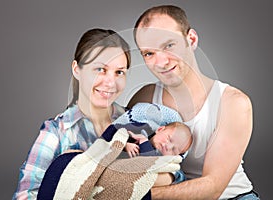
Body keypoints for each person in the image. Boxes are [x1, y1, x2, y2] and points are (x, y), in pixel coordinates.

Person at [13, 27, 181, 200]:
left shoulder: (137, 123)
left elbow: (172, 169)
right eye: (100, 69)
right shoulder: (57, 133)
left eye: (119, 72)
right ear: (77, 69)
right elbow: (25, 196)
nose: (110, 82)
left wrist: (162, 176)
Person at [128, 5, 260, 200]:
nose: (161, 61)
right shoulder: (144, 99)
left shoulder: (233, 103)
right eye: (149, 53)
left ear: (191, 39)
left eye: (169, 46)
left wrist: (129, 195)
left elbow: (212, 188)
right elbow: (120, 150)